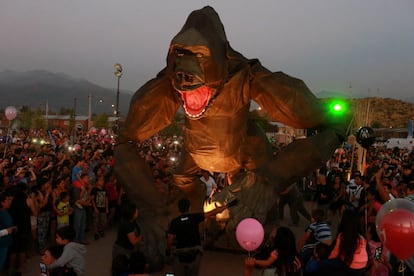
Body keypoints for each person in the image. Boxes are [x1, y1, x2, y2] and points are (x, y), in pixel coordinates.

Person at [166, 197, 227, 276]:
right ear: (189, 207)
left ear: (178, 208)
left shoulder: (174, 222)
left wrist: (168, 250)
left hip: (180, 251)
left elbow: (170, 239)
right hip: (195, 251)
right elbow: (213, 212)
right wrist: (225, 206)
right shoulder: (195, 217)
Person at [328, 209, 369, 275]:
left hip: (350, 266)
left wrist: (328, 259)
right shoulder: (361, 236)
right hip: (363, 265)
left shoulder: (342, 236)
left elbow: (335, 253)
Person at [0, 191, 16, 272]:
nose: (10, 202)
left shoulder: (4, 212)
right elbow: (9, 226)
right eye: (7, 200)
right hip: (3, 242)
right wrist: (9, 230)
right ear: (2, 202)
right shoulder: (3, 213)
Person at [90, 176, 108, 240]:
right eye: (100, 180)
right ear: (97, 182)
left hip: (103, 208)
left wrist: (107, 208)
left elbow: (106, 199)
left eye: (103, 180)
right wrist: (95, 208)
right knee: (96, 221)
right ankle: (96, 233)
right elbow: (92, 199)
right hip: (96, 208)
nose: (102, 182)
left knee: (104, 221)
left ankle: (101, 229)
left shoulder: (104, 189)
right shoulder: (94, 189)